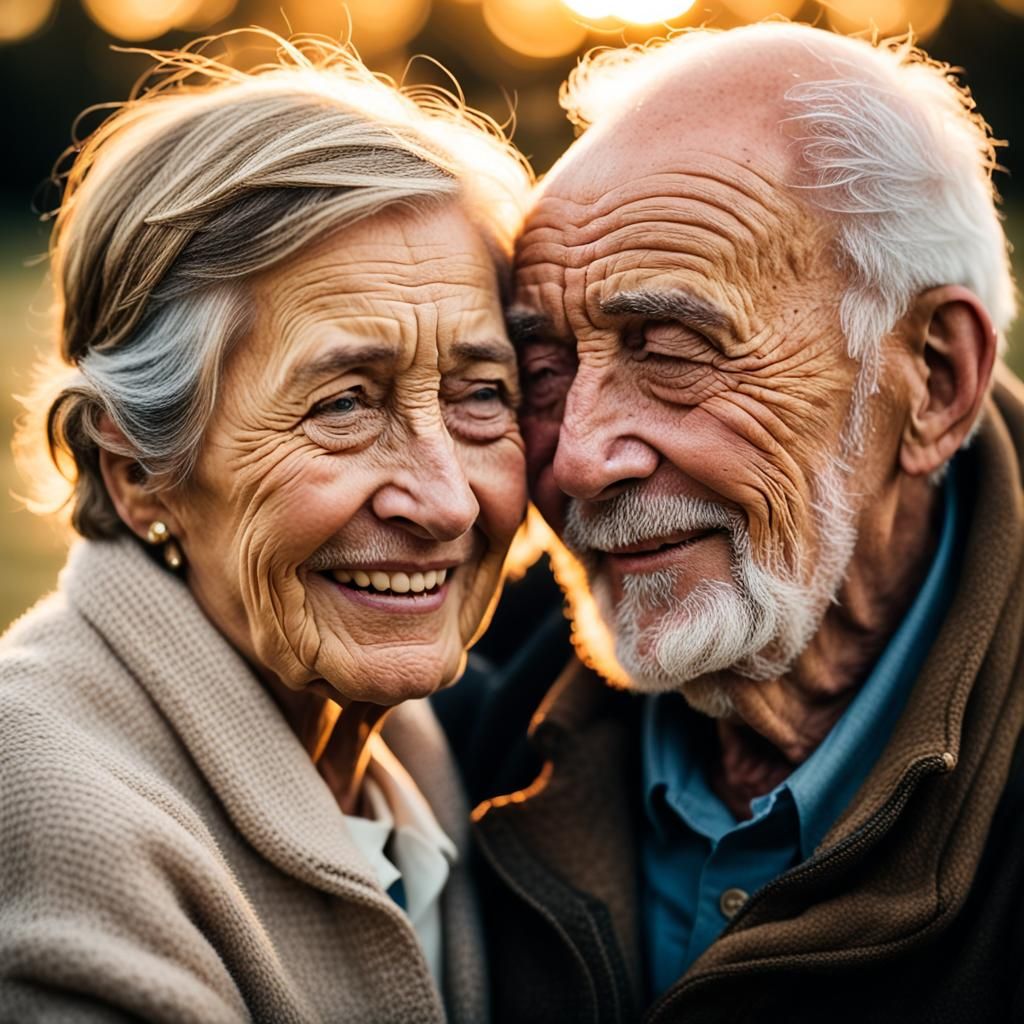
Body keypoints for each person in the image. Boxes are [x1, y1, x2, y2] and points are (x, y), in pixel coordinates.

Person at [463, 22, 1024, 1023]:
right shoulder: (461, 711)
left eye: (672, 349)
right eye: (543, 372)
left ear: (933, 381)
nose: (581, 458)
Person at [0, 32, 531, 1023]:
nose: (447, 499)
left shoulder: (417, 755)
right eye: (342, 405)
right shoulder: (50, 806)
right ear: (138, 471)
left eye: (479, 394)